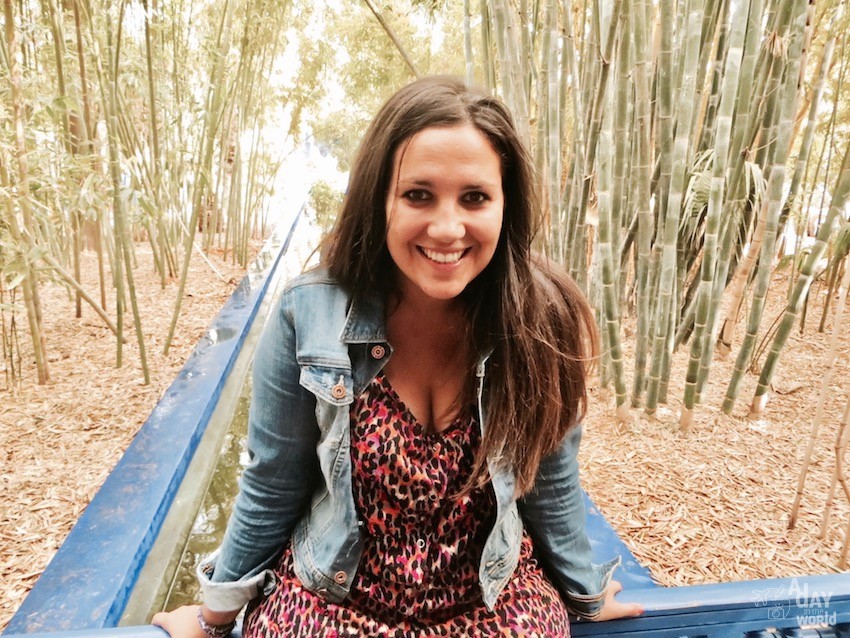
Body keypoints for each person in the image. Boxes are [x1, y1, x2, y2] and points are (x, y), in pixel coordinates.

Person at [153, 75, 643, 638]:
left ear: (507, 205)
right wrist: (215, 614)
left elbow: (551, 479)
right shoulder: (306, 314)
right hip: (333, 603)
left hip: (491, 604)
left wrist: (584, 593)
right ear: (379, 198)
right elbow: (272, 482)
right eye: (418, 194)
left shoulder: (539, 319)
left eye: (475, 197)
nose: (447, 227)